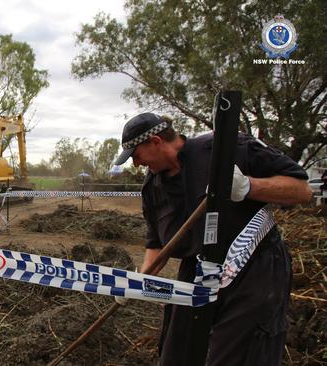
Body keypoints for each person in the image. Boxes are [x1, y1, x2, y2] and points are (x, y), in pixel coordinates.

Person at [114, 113, 312, 365]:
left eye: (136, 155)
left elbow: (301, 190)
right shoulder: (152, 188)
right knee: (177, 354)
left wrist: (248, 187)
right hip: (197, 271)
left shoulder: (228, 150)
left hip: (253, 265)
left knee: (240, 355)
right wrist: (138, 282)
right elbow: (157, 244)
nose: (136, 164)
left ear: (155, 141)